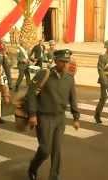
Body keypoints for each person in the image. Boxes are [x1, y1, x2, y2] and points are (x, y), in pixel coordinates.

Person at [27, 49, 80, 180]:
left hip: (60, 118)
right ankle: (33, 168)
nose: (66, 64)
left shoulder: (69, 78)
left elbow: (73, 98)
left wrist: (76, 117)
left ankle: (54, 176)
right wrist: (32, 114)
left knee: (57, 150)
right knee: (45, 149)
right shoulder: (44, 74)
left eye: (67, 62)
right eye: (63, 61)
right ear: (56, 61)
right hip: (44, 117)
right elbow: (31, 95)